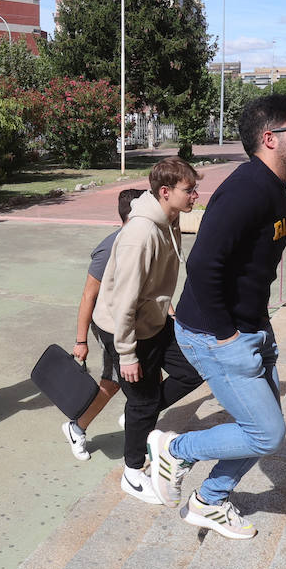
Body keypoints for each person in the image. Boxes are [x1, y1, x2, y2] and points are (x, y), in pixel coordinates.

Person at [147, 94, 286, 540]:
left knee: (259, 424)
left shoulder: (275, 189)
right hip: (215, 333)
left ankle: (209, 501)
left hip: (253, 325)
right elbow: (202, 264)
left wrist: (254, 328)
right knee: (267, 433)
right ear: (270, 138)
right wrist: (225, 336)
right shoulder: (247, 189)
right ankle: (176, 450)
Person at [91, 158, 204, 502]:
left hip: (152, 321)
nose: (195, 196)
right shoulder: (139, 234)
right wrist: (126, 354)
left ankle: (141, 416)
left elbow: (154, 281)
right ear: (165, 192)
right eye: (189, 190)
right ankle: (132, 470)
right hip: (124, 330)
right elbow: (123, 302)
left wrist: (165, 307)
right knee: (142, 401)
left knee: (193, 369)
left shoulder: (170, 219)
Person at [61, 187, 140, 461]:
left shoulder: (143, 239)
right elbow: (88, 295)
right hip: (109, 327)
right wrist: (81, 341)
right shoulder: (110, 247)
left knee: (129, 378)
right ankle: (78, 426)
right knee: (117, 381)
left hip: (132, 324)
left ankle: (135, 416)